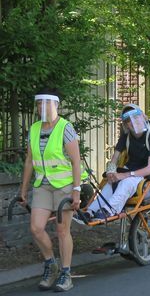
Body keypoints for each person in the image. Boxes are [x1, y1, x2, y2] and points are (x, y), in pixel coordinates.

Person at [19, 90, 84, 292]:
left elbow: (76, 161)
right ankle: (51, 264)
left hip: (64, 186)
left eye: (47, 103)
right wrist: (23, 189)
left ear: (56, 105)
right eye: (39, 104)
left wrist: (76, 190)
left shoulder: (65, 127)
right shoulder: (34, 128)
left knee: (62, 230)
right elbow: (30, 161)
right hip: (43, 186)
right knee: (36, 228)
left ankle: (66, 273)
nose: (42, 107)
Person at [86, 104, 150, 223]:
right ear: (126, 124)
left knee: (126, 183)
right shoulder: (126, 137)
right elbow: (115, 158)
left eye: (136, 117)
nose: (133, 122)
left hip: (149, 175)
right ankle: (90, 211)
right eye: (128, 120)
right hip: (131, 170)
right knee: (110, 184)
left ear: (143, 117)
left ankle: (108, 210)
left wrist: (124, 175)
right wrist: (111, 172)